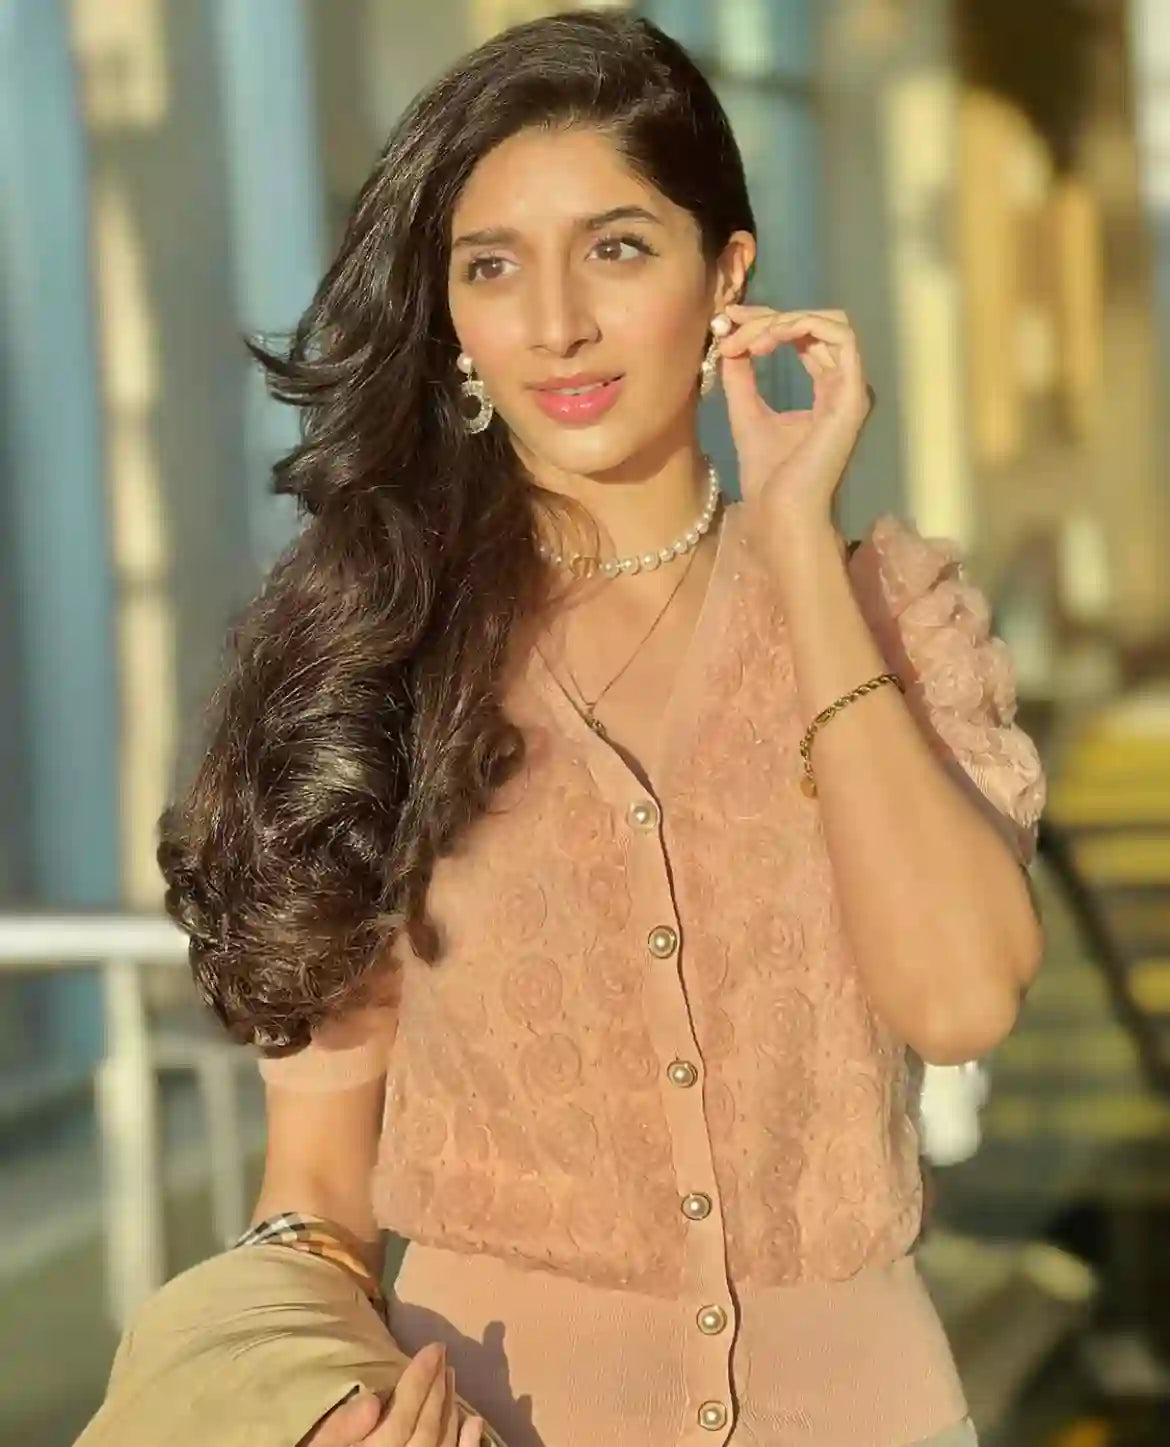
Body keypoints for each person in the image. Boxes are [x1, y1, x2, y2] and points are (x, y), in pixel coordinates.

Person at [83, 11, 1047, 1447]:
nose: (555, 327)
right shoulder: (377, 653)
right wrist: (326, 1411)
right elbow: (318, 1190)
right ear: (451, 311)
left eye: (615, 247)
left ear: (725, 274)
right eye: (491, 267)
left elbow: (961, 999)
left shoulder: (887, 617)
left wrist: (796, 550)